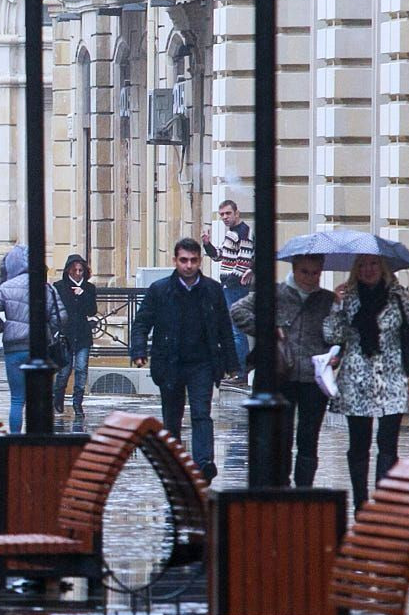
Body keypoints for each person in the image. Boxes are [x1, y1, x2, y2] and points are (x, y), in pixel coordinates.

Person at [325, 254, 409, 503]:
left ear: (383, 267)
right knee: (359, 444)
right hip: (356, 378)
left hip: (391, 377)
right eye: (362, 265)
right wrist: (335, 305)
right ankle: (360, 502)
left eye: (374, 264)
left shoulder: (398, 296)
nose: (368, 269)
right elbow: (333, 335)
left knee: (388, 444)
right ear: (356, 270)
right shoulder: (348, 298)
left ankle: (383, 500)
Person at [128, 238, 238, 480]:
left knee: (201, 412)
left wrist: (231, 363)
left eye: (193, 261)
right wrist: (138, 351)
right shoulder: (160, 290)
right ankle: (174, 464)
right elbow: (142, 323)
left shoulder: (212, 290)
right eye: (184, 260)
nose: (188, 266)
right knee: (172, 417)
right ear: (175, 261)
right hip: (170, 362)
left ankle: (203, 463)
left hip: (202, 362)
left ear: (200, 261)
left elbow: (224, 327)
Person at [228, 253, 336, 487]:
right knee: (282, 437)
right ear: (295, 270)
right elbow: (237, 311)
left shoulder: (328, 300)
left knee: (309, 439)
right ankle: (283, 486)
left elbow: (339, 336)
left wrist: (341, 311)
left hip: (313, 378)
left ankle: (305, 489)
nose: (310, 278)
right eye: (305, 272)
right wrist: (267, 329)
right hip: (281, 376)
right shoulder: (276, 293)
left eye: (315, 272)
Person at [0, 266, 70, 434]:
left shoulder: (7, 286)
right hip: (40, 349)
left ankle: (15, 438)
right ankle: (38, 438)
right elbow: (61, 317)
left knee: (17, 399)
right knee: (39, 398)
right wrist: (48, 330)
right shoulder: (47, 288)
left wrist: (2, 327)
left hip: (14, 348)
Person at [203, 199, 254, 372]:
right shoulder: (232, 232)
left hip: (236, 287)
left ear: (236, 213)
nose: (225, 217)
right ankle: (237, 370)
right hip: (229, 286)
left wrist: (228, 283)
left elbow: (243, 261)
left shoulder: (244, 231)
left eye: (228, 213)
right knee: (233, 330)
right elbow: (220, 256)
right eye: (222, 214)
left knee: (237, 330)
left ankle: (241, 371)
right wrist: (207, 244)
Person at [53, 255, 98, 418]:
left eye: (81, 270)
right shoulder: (59, 287)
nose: (78, 274)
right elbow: (56, 311)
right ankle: (58, 399)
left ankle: (77, 403)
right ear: (68, 271)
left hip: (83, 334)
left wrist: (82, 294)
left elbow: (92, 310)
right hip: (65, 334)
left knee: (81, 369)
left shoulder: (89, 288)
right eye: (75, 270)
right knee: (64, 371)